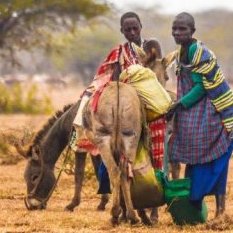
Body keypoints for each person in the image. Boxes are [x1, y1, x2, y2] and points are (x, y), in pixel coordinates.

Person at [72, 11, 168, 193]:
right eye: (128, 29)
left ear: (141, 27)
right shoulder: (119, 52)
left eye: (135, 28)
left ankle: (157, 189)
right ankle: (119, 191)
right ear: (122, 31)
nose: (132, 32)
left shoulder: (152, 45)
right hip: (127, 102)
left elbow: (156, 72)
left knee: (158, 136)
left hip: (149, 99)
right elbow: (113, 79)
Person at [165, 12, 233, 217]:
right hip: (196, 113)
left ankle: (220, 212)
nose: (177, 32)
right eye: (175, 28)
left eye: (183, 29)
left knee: (216, 163)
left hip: (217, 114)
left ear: (193, 31)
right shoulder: (181, 52)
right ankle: (196, 207)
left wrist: (178, 105)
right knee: (195, 159)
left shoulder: (196, 52)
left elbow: (200, 87)